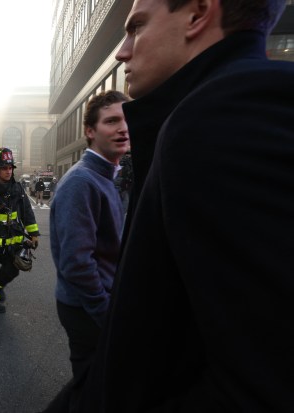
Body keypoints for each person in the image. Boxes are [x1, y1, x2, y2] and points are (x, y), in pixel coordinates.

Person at [77, 1, 294, 412]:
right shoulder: (201, 113)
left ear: (198, 13)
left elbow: (264, 382)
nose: (123, 50)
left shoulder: (223, 115)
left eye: (137, 27)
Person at [44, 91, 129, 412]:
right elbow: (77, 264)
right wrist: (106, 314)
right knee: (96, 389)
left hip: (101, 303)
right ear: (90, 132)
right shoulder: (82, 181)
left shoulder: (111, 175)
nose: (123, 128)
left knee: (96, 384)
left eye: (126, 119)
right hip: (86, 309)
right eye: (111, 121)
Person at [0, 147, 40, 313]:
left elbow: (27, 211)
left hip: (13, 239)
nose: (8, 171)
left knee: (13, 269)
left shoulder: (17, 188)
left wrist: (33, 233)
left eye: (10, 168)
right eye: (4, 168)